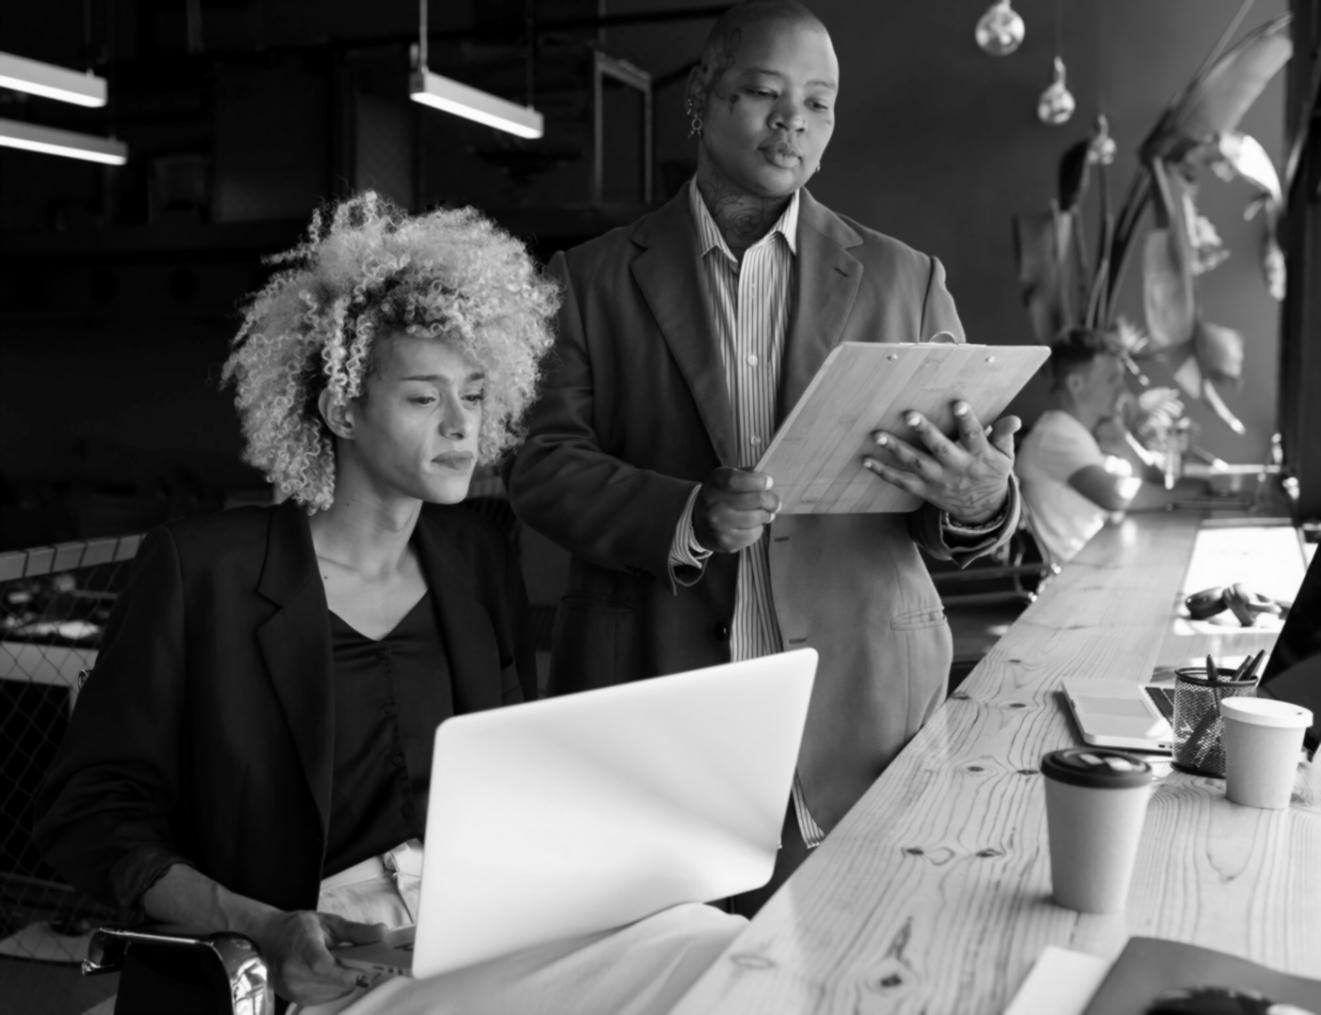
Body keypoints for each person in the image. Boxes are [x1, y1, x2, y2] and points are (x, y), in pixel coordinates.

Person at [34, 193, 744, 1015]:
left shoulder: (476, 554)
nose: (460, 427)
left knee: (712, 943)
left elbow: (510, 775)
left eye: (475, 396)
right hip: (319, 958)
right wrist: (263, 926)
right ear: (342, 407)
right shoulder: (204, 570)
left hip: (477, 927)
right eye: (422, 398)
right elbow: (91, 812)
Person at [507, 0, 1021, 910]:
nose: (792, 122)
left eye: (818, 103)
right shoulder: (585, 281)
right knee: (671, 972)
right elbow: (541, 462)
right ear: (701, 100)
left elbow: (961, 493)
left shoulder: (908, 279)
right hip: (658, 691)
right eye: (762, 92)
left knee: (862, 961)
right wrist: (685, 513)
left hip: (861, 704)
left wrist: (981, 495)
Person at [1015, 327, 1182, 565]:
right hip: (1069, 579)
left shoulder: (1090, 433)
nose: (1122, 390)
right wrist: (1190, 493)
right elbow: (1115, 496)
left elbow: (1155, 481)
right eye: (1112, 379)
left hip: (1100, 560)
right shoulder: (1056, 434)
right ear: (1076, 384)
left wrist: (1124, 443)